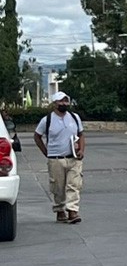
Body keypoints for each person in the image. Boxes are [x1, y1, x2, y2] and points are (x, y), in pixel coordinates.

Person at [33, 91, 86, 224]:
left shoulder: (74, 117)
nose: (64, 104)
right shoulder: (47, 120)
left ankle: (73, 211)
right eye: (61, 101)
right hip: (55, 158)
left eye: (66, 101)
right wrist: (46, 151)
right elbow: (37, 136)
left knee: (74, 185)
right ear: (55, 103)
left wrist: (81, 149)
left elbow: (81, 134)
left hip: (73, 158)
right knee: (58, 187)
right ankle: (60, 210)